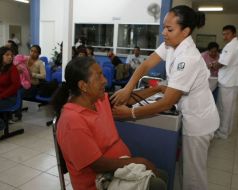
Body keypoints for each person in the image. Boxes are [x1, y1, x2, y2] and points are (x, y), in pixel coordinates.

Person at [111, 5, 219, 190]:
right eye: (164, 27)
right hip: (190, 115)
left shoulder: (188, 58)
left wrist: (130, 113)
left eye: (169, 29)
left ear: (185, 31)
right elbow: (145, 65)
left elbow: (168, 101)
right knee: (185, 169)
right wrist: (128, 88)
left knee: (194, 177)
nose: (164, 33)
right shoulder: (171, 44)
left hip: (199, 121)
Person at [51, 57, 167, 190]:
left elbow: (127, 98)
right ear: (83, 86)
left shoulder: (98, 100)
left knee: (162, 176)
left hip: (117, 171)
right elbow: (98, 165)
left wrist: (158, 89)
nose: (105, 80)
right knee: (158, 185)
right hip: (98, 181)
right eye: (99, 76)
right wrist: (139, 161)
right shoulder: (72, 121)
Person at [214, 25, 238, 139]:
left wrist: (212, 65)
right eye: (223, 34)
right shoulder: (235, 44)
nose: (225, 36)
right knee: (229, 108)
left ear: (234, 34)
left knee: (225, 109)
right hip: (231, 81)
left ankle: (223, 132)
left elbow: (222, 63)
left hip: (228, 83)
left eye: (227, 34)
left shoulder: (231, 46)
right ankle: (226, 130)